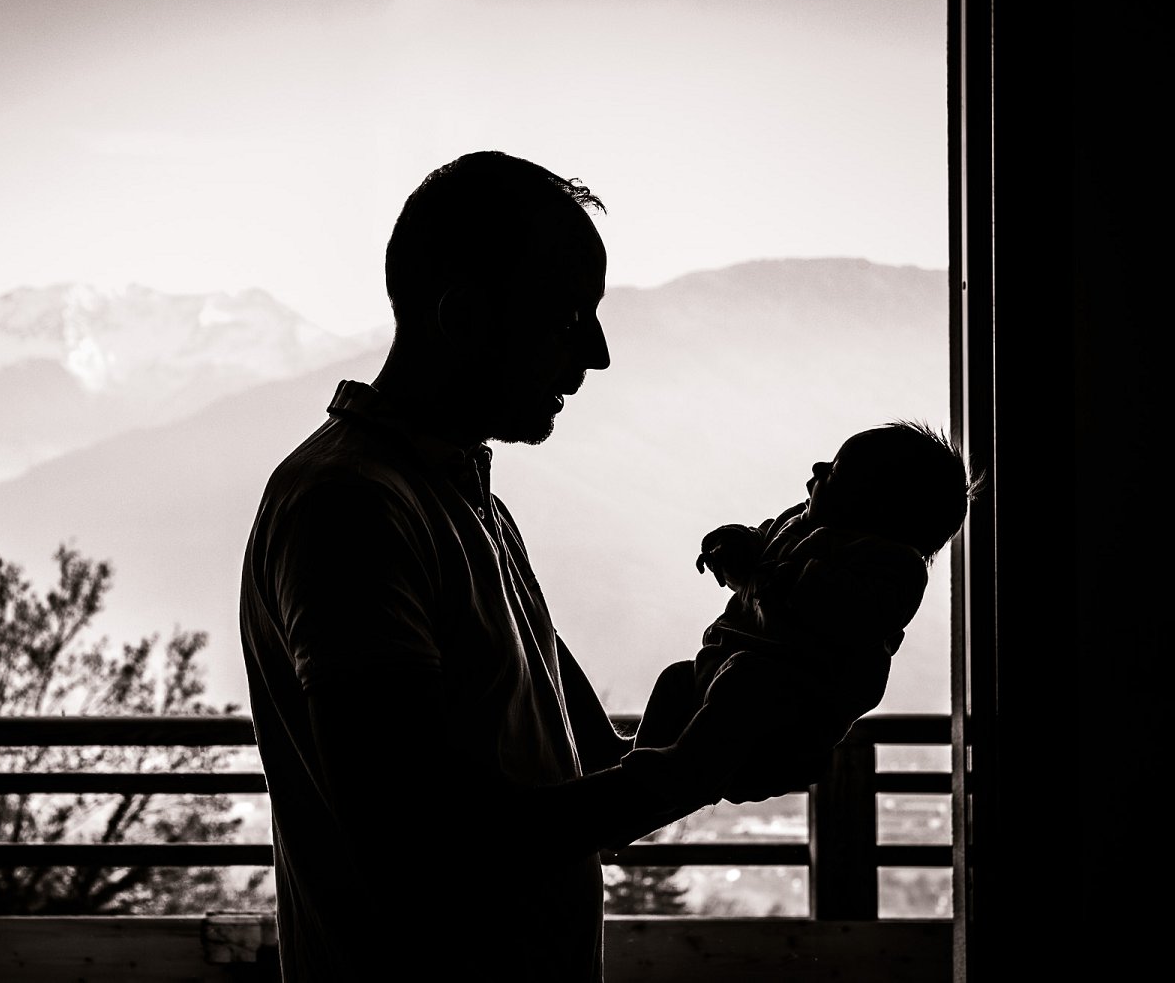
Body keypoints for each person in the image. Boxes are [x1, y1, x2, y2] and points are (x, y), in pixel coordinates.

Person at [239, 151, 826, 983]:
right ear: (464, 315)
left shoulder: (460, 497)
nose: (596, 353)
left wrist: (736, 705)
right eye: (568, 316)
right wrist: (695, 767)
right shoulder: (352, 508)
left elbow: (592, 767)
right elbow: (417, 843)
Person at [624, 421, 978, 808]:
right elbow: (763, 538)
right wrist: (735, 541)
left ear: (875, 505)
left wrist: (760, 576)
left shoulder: (892, 567)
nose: (818, 468)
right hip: (724, 668)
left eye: (836, 471)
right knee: (677, 678)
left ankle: (682, 769)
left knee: (745, 683)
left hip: (794, 698)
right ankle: (636, 765)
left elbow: (835, 607)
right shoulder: (798, 521)